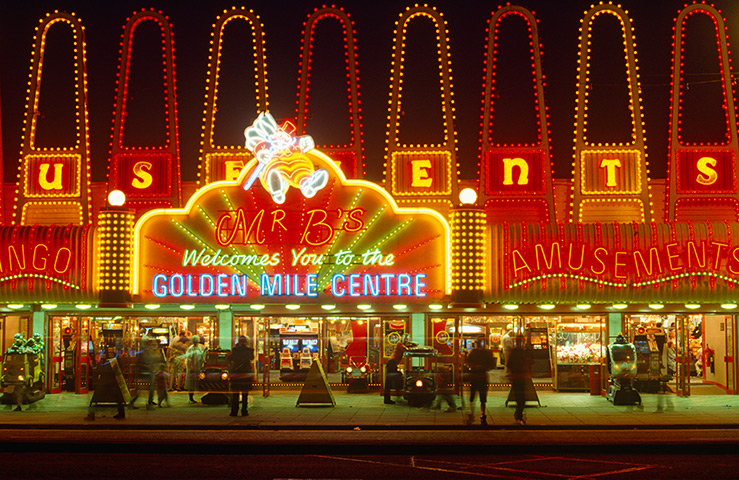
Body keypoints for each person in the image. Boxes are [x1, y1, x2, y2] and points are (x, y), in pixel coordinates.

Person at [465, 335, 494, 425]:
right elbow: (492, 364)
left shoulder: (473, 352)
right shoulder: (486, 353)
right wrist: (483, 367)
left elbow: (467, 362)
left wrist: (473, 366)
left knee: (475, 396)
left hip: (475, 376)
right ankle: (482, 414)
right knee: (481, 397)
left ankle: (473, 413)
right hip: (481, 376)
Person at [129, 338, 165, 410]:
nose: (154, 346)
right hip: (145, 372)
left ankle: (149, 401)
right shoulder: (144, 352)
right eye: (152, 344)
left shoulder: (158, 352)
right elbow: (139, 363)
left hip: (152, 372)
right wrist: (147, 366)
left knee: (149, 388)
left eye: (155, 344)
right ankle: (135, 402)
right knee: (142, 389)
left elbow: (161, 360)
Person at [506, 335, 532, 425]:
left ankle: (518, 414)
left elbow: (509, 364)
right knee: (521, 398)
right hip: (519, 377)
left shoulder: (519, 352)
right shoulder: (521, 352)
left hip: (519, 377)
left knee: (521, 398)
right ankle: (519, 414)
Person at [228, 336, 255, 417]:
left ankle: (234, 411)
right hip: (246, 372)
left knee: (235, 394)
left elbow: (230, 358)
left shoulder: (235, 350)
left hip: (236, 372)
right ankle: (244, 410)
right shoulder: (250, 350)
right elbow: (251, 358)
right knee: (245, 393)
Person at [184, 334, 206, 404]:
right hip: (192, 369)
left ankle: (192, 398)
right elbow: (189, 360)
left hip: (197, 368)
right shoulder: (191, 349)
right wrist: (191, 368)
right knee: (191, 384)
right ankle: (190, 398)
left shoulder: (198, 348)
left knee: (194, 384)